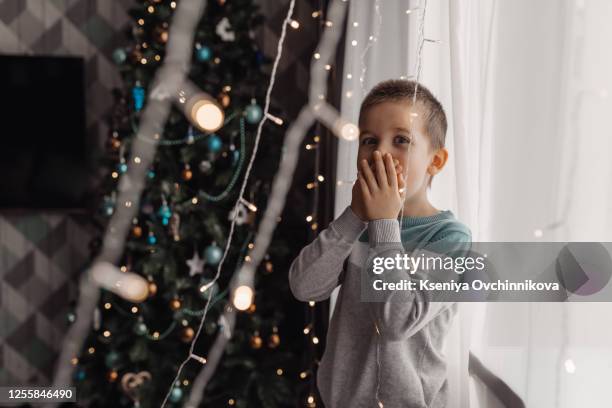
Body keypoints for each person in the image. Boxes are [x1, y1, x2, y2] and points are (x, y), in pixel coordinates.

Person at [289, 79, 472, 407]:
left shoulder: (450, 239)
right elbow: (304, 286)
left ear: (436, 161)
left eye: (401, 140)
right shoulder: (357, 226)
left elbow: (397, 322)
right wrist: (354, 217)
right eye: (369, 140)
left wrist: (384, 224)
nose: (380, 153)